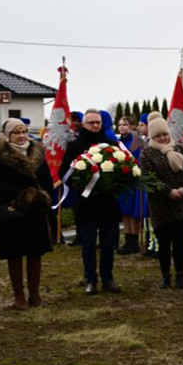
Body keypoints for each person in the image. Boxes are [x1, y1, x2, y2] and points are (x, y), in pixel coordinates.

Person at [0, 119, 54, 309]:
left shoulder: (37, 152)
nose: (21, 135)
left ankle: (35, 293)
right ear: (8, 135)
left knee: (35, 251)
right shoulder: (0, 154)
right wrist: (22, 198)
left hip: (36, 208)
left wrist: (43, 197)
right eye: (16, 132)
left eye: (24, 131)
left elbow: (47, 179)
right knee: (15, 252)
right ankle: (19, 295)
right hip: (14, 208)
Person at [63, 109, 123, 295]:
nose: (96, 126)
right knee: (88, 244)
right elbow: (64, 173)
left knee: (108, 244)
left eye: (98, 122)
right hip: (86, 203)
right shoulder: (74, 146)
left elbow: (123, 169)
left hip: (108, 203)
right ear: (83, 124)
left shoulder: (112, 144)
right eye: (91, 123)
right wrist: (82, 182)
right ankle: (90, 279)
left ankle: (108, 278)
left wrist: (113, 182)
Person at [140, 113, 183, 289]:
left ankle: (180, 275)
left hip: (181, 202)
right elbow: (148, 178)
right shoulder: (147, 153)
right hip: (160, 204)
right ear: (152, 137)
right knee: (164, 242)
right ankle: (165, 275)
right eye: (158, 136)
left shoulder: (180, 149)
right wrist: (168, 191)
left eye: (164, 134)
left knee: (179, 241)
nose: (162, 138)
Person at [116, 116, 148, 255]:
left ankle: (134, 241)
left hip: (134, 179)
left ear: (131, 126)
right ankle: (127, 240)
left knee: (133, 212)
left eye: (124, 124)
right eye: (120, 124)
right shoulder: (119, 141)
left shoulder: (137, 141)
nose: (121, 127)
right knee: (125, 211)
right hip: (123, 180)